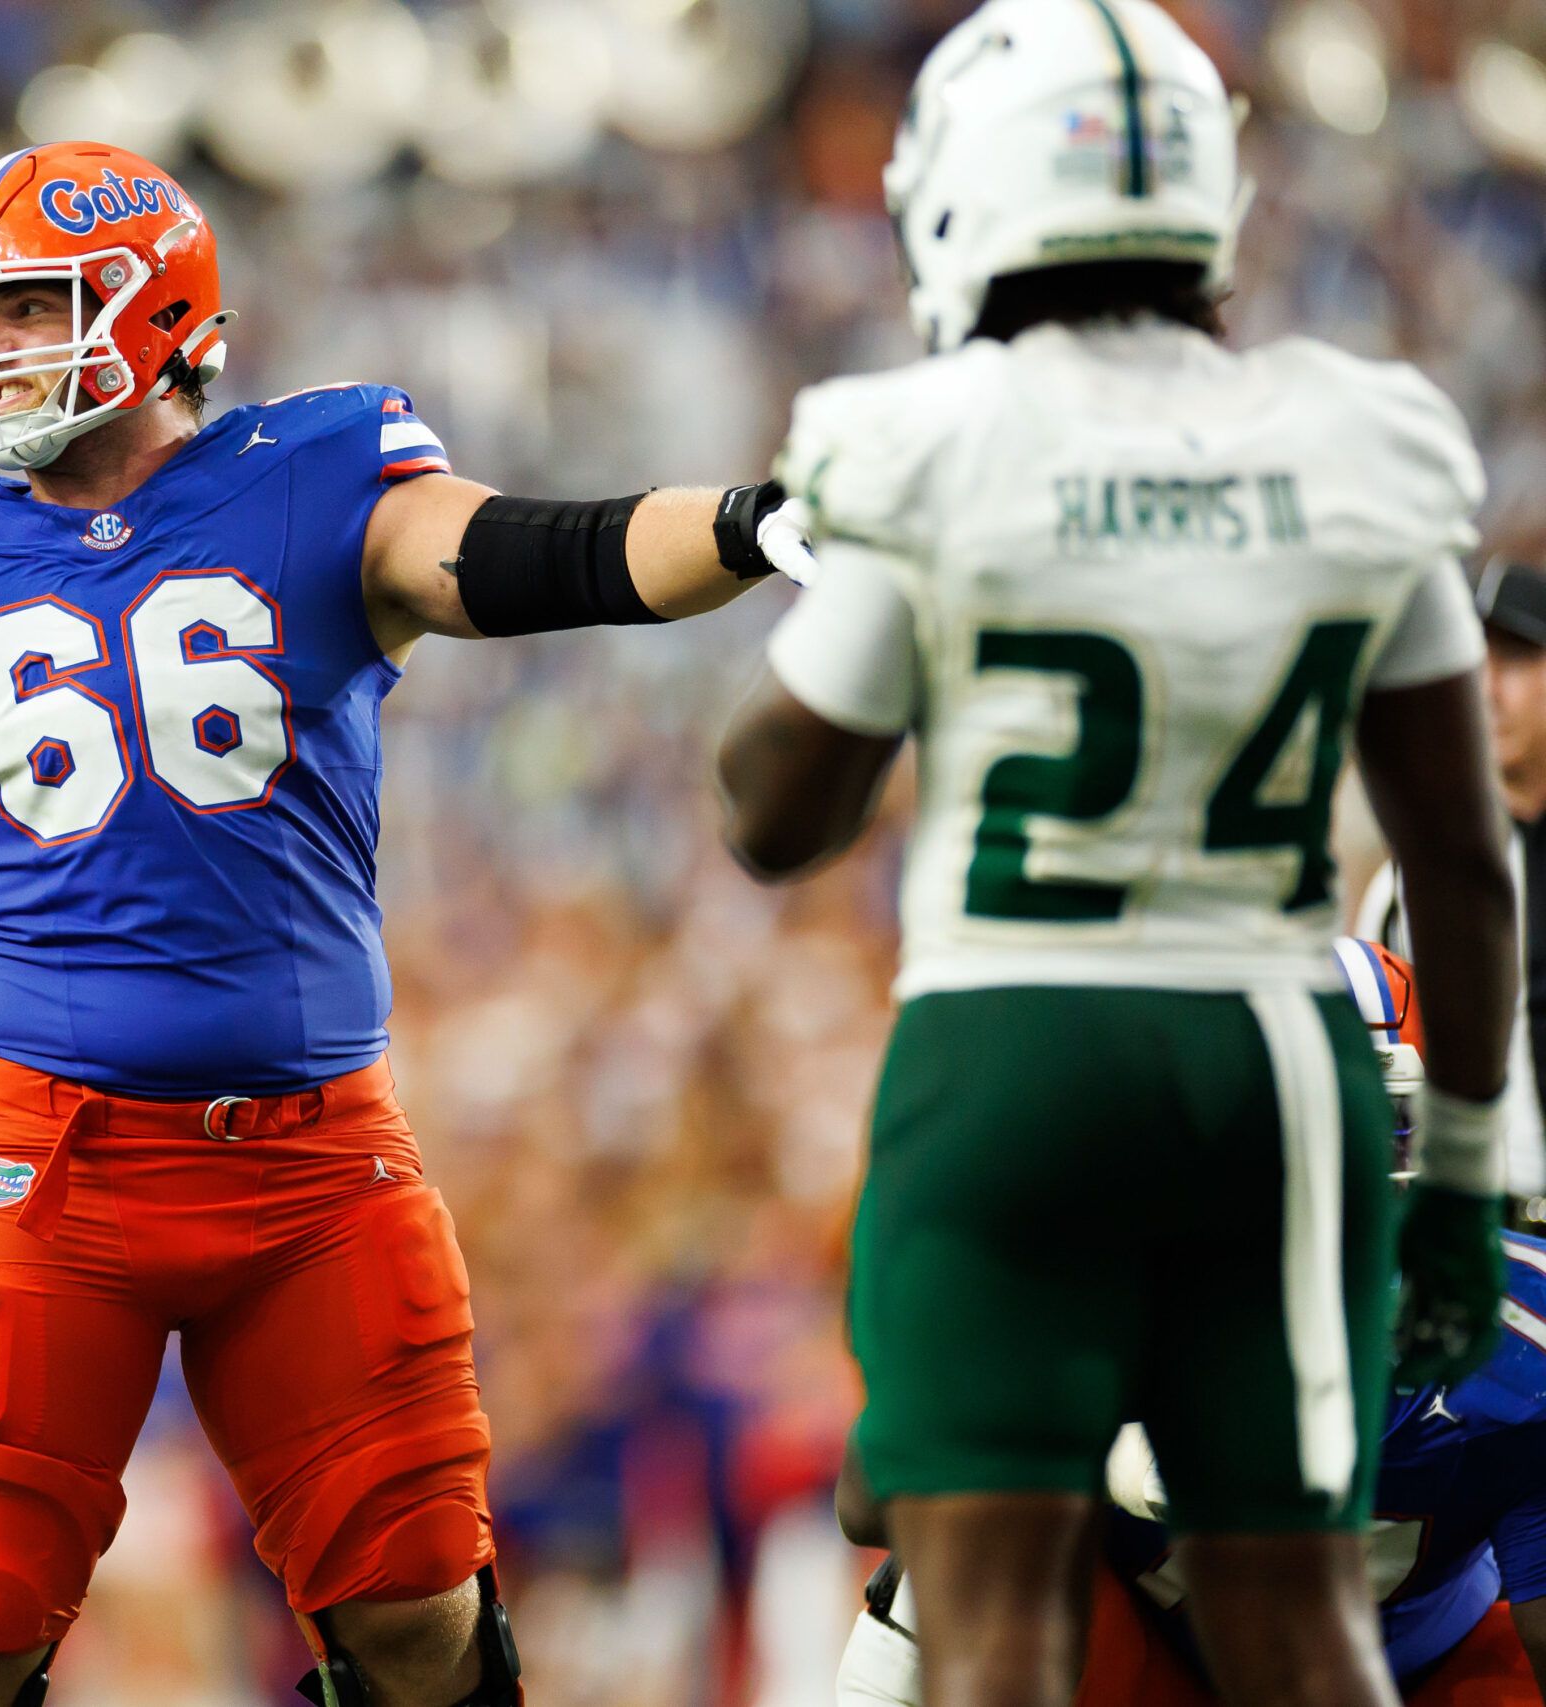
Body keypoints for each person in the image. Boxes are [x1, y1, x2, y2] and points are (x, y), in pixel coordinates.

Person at [0, 139, 804, 1707]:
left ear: (154, 303)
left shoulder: (325, 474)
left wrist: (751, 523)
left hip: (316, 1161)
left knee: (423, 1616)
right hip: (48, 1163)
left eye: (28, 309)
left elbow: (538, 551)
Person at [713, 3, 1520, 1705]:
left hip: (1019, 1035)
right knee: (1301, 1612)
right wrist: (1457, 1171)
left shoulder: (929, 437)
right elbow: (1460, 855)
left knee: (985, 1606)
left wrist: (856, 555)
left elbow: (776, 812)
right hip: (1278, 1051)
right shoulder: (1360, 432)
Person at [835, 944, 1546, 1707]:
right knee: (959, 1569)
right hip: (1150, 1655)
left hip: (1417, 1670)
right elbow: (869, 1498)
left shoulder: (1515, 1333)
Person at [1358, 558, 1546, 1197]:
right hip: (1481, 1215)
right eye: (1475, 660)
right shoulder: (1412, 881)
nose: (1488, 689)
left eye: (1517, 661)